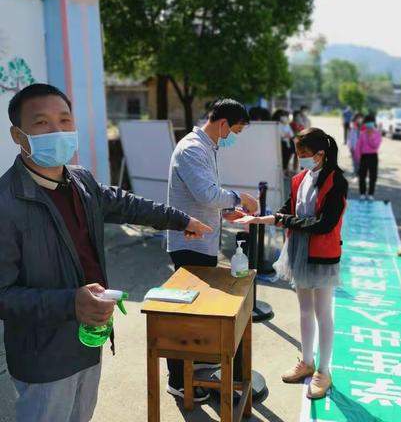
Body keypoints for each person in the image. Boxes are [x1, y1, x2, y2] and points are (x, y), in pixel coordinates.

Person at [0, 83, 212, 422]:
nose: (58, 131)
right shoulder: (6, 203)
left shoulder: (80, 181)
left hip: (89, 341)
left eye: (65, 121)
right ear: (17, 134)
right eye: (41, 123)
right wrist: (70, 302)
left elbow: (127, 205)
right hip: (44, 358)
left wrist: (181, 219)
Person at [235, 128, 347, 400]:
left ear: (321, 154)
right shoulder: (299, 179)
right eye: (298, 154)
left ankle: (323, 370)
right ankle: (306, 361)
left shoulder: (336, 180)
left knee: (323, 312)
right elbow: (285, 212)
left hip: (321, 254)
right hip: (297, 251)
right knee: (305, 311)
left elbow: (325, 223)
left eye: (305, 154)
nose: (301, 159)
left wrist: (282, 221)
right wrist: (259, 219)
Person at [167, 98, 258, 401]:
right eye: (235, 131)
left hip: (202, 239)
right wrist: (238, 199)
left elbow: (205, 197)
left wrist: (226, 211)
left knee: (198, 308)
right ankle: (178, 379)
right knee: (185, 311)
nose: (232, 138)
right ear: (222, 124)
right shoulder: (193, 148)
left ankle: (196, 357)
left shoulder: (207, 147)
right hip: (189, 243)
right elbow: (206, 194)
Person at [355, 114, 382, 201]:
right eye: (366, 124)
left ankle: (371, 194)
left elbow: (375, 146)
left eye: (369, 123)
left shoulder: (377, 134)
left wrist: (371, 136)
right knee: (362, 176)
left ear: (373, 123)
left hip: (373, 156)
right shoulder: (362, 134)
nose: (368, 125)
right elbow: (358, 146)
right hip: (364, 156)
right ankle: (362, 193)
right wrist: (358, 157)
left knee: (373, 176)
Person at [273, 110, 295, 175]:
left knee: (287, 158)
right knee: (281, 158)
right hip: (280, 144)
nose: (285, 117)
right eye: (283, 115)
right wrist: (285, 135)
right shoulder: (277, 124)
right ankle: (281, 172)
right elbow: (279, 135)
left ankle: (285, 171)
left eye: (285, 116)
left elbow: (291, 134)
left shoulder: (287, 125)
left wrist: (286, 135)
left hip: (288, 144)